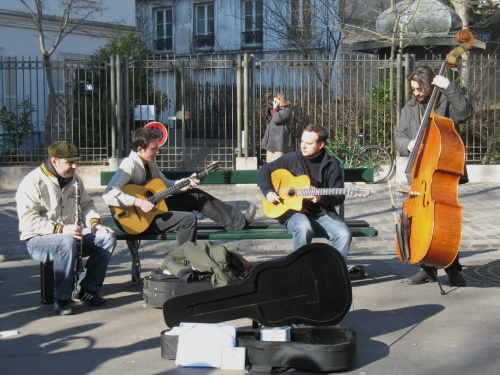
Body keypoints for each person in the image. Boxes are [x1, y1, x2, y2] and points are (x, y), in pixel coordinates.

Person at [102, 127, 257, 246]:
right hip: (140, 219)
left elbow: (166, 185)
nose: (158, 151)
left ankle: (239, 222)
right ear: (140, 149)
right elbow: (108, 194)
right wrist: (139, 202)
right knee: (188, 219)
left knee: (196, 195)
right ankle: (182, 262)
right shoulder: (129, 164)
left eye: (157, 147)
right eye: (154, 148)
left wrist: (187, 182)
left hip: (156, 207)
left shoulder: (150, 162)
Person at [15, 141, 117, 316]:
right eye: (70, 162)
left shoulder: (75, 179)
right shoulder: (32, 182)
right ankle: (61, 298)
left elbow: (87, 205)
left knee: (106, 237)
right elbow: (28, 221)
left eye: (76, 162)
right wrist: (60, 229)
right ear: (54, 161)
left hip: (70, 236)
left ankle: (87, 289)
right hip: (39, 239)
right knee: (66, 240)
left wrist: (94, 224)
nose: (75, 166)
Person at [394, 65, 473, 287]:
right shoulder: (409, 108)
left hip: (441, 172)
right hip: (419, 171)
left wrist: (449, 87)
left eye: (419, 89)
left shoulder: (445, 102)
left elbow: (465, 113)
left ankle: (454, 269)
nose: (416, 93)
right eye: (413, 89)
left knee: (445, 222)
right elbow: (399, 134)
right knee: (421, 220)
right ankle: (427, 268)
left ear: (429, 85)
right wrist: (407, 144)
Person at [258, 123, 352, 259]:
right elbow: (264, 170)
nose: (303, 146)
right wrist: (268, 191)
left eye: (308, 143)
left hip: (322, 214)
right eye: (302, 141)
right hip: (293, 213)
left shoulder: (332, 165)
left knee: (344, 234)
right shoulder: (291, 159)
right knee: (304, 227)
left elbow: (339, 196)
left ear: (321, 145)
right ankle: (302, 271)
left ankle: (334, 273)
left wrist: (320, 198)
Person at [261, 93, 293, 163]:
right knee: (269, 164)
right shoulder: (276, 111)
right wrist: (270, 110)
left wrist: (274, 108)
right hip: (270, 143)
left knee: (278, 165)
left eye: (276, 101)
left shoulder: (287, 110)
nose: (274, 103)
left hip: (278, 144)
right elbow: (268, 119)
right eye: (274, 101)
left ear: (281, 100)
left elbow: (276, 119)